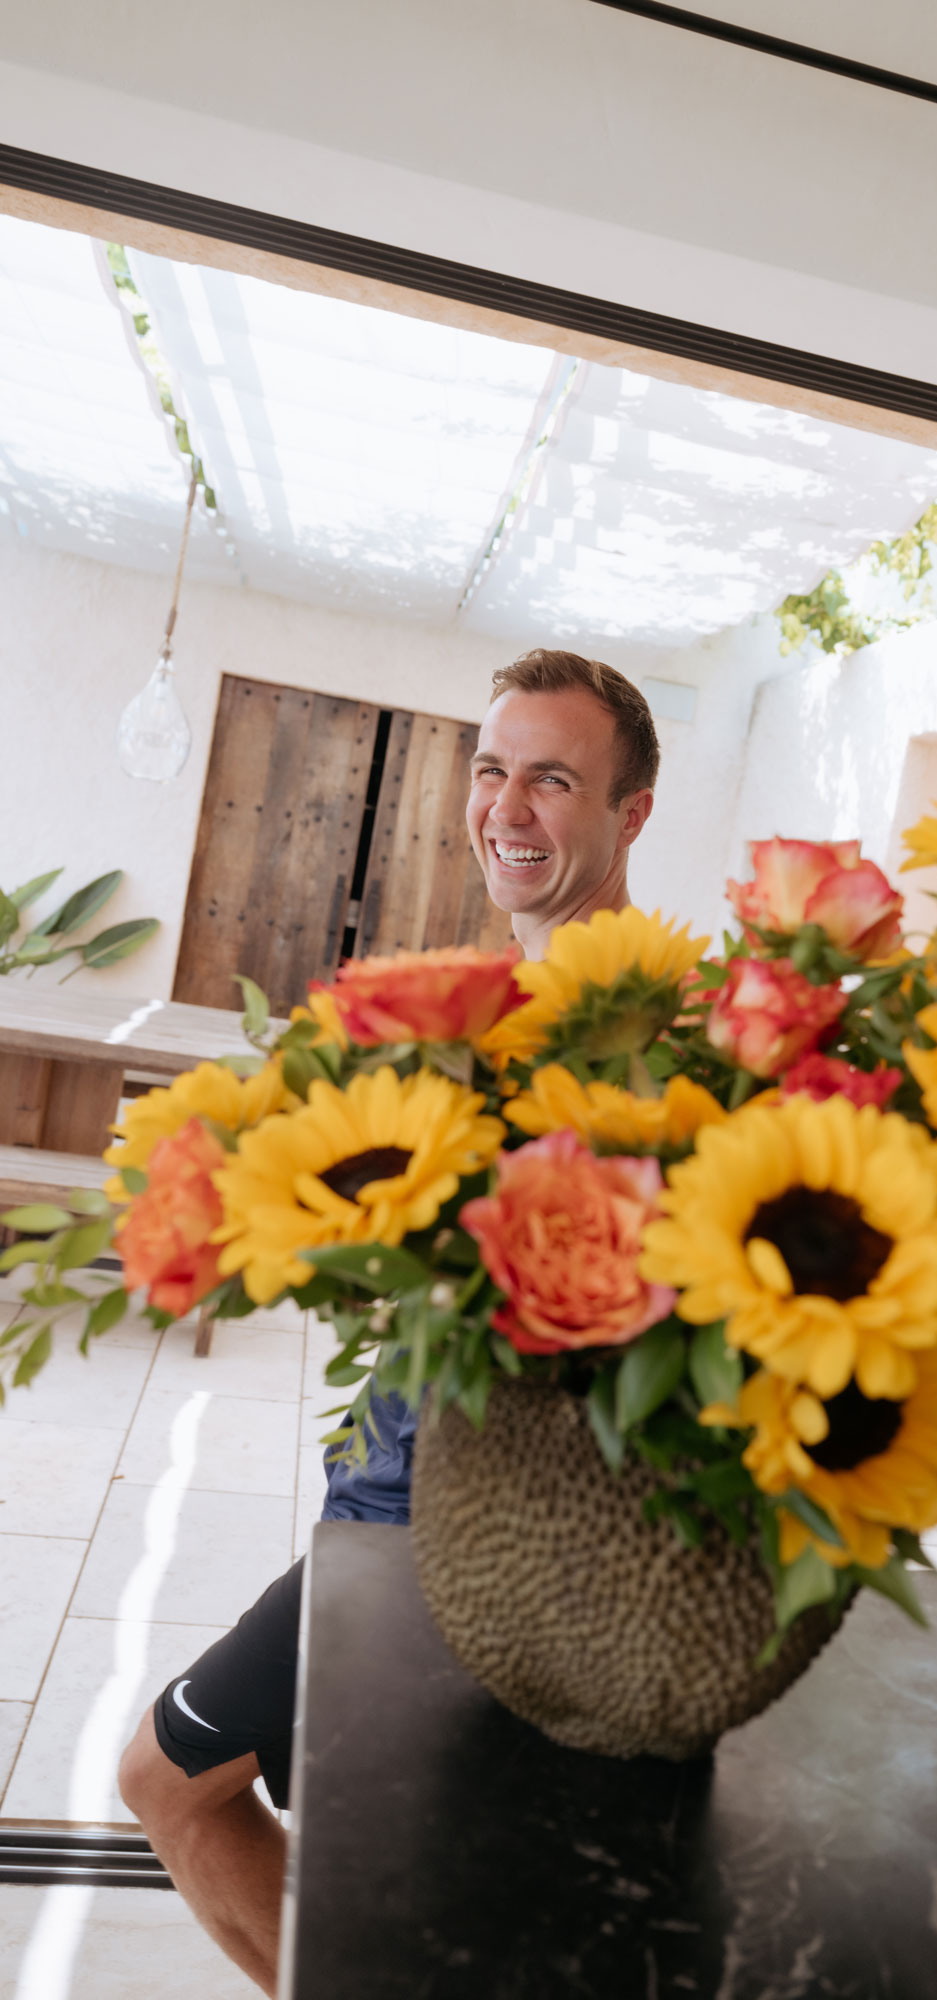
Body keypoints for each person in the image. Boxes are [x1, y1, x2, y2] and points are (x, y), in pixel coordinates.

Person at [118, 649, 659, 1995]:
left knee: (178, 1783)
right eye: (492, 770)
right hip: (392, 1505)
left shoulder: (636, 1038)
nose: (507, 807)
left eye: (552, 780)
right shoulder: (505, 1017)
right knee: (310, 1836)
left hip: (459, 1546)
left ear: (631, 813)